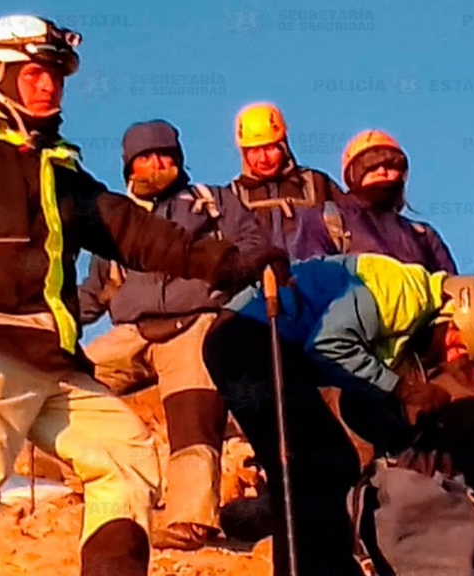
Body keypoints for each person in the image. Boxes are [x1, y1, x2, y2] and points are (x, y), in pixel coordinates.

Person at [0, 15, 288, 576]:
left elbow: (132, 232)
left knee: (123, 452)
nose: (50, 85)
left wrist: (229, 262)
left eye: (57, 75)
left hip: (48, 357)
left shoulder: (56, 162)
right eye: (35, 72)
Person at [202, 253, 474, 576]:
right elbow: (327, 343)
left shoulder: (404, 336)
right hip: (247, 338)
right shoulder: (406, 293)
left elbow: (357, 399)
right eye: (460, 345)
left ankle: (316, 567)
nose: (453, 357)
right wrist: (402, 390)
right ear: (454, 317)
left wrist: (403, 444)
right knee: (312, 464)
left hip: (244, 347)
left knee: (321, 464)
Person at [78, 119, 272, 551]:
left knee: (194, 420)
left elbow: (252, 243)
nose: (156, 164)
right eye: (145, 157)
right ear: (129, 166)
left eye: (165, 155)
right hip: (131, 330)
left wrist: (230, 282)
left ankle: (189, 521)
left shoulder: (212, 202)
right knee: (64, 384)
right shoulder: (117, 217)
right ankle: (100, 488)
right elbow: (93, 293)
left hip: (194, 322)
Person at [291, 130, 458, 273]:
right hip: (351, 308)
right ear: (353, 175)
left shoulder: (422, 234)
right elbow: (311, 281)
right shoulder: (325, 220)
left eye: (391, 165)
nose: (382, 171)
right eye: (370, 166)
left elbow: (456, 292)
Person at [230, 102, 344, 252]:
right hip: (258, 274)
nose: (263, 158)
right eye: (254, 151)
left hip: (316, 271)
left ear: (283, 146)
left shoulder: (317, 183)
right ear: (244, 154)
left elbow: (350, 226)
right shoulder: (232, 196)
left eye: (270, 148)